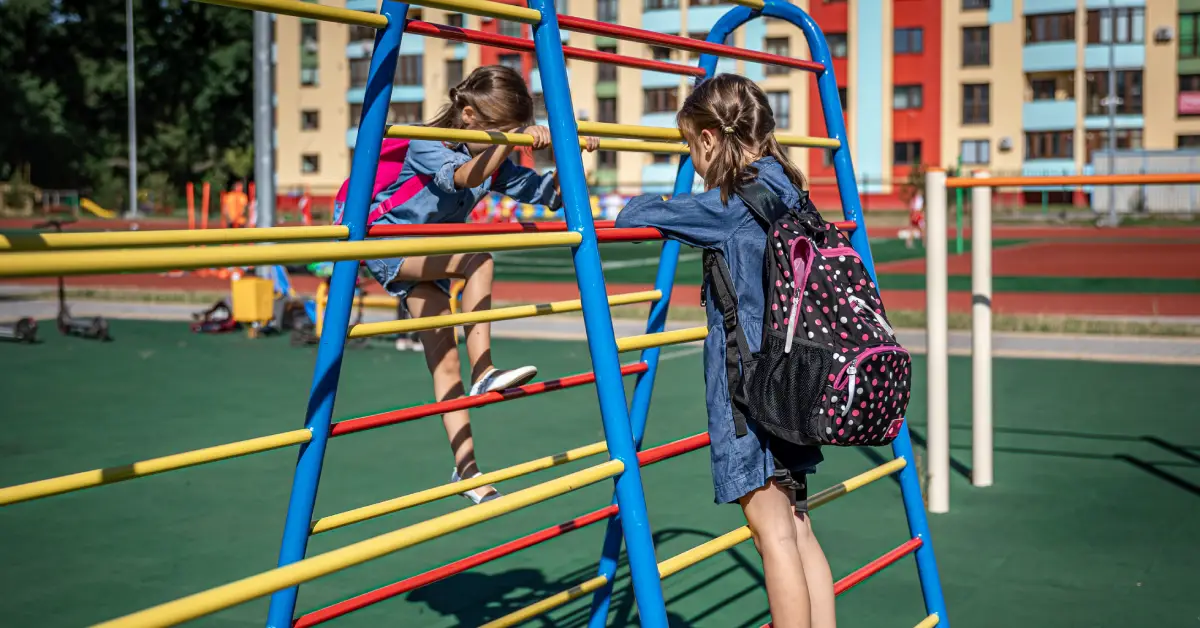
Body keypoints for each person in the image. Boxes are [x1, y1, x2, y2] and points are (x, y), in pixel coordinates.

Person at [614, 74, 836, 628]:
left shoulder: (730, 201)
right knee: (798, 524)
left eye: (692, 146)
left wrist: (648, 197)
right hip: (798, 376)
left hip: (750, 387)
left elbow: (636, 216)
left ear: (711, 139)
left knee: (771, 531)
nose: (695, 158)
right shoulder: (789, 184)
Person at [337, 65, 598, 504]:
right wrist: (513, 137)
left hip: (428, 254)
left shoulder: (494, 158)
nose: (507, 136)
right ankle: (486, 371)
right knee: (478, 259)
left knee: (444, 366)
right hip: (384, 239)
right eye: (501, 127)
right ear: (467, 113)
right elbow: (464, 177)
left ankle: (468, 473)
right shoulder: (425, 140)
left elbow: (552, 195)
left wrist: (570, 153)